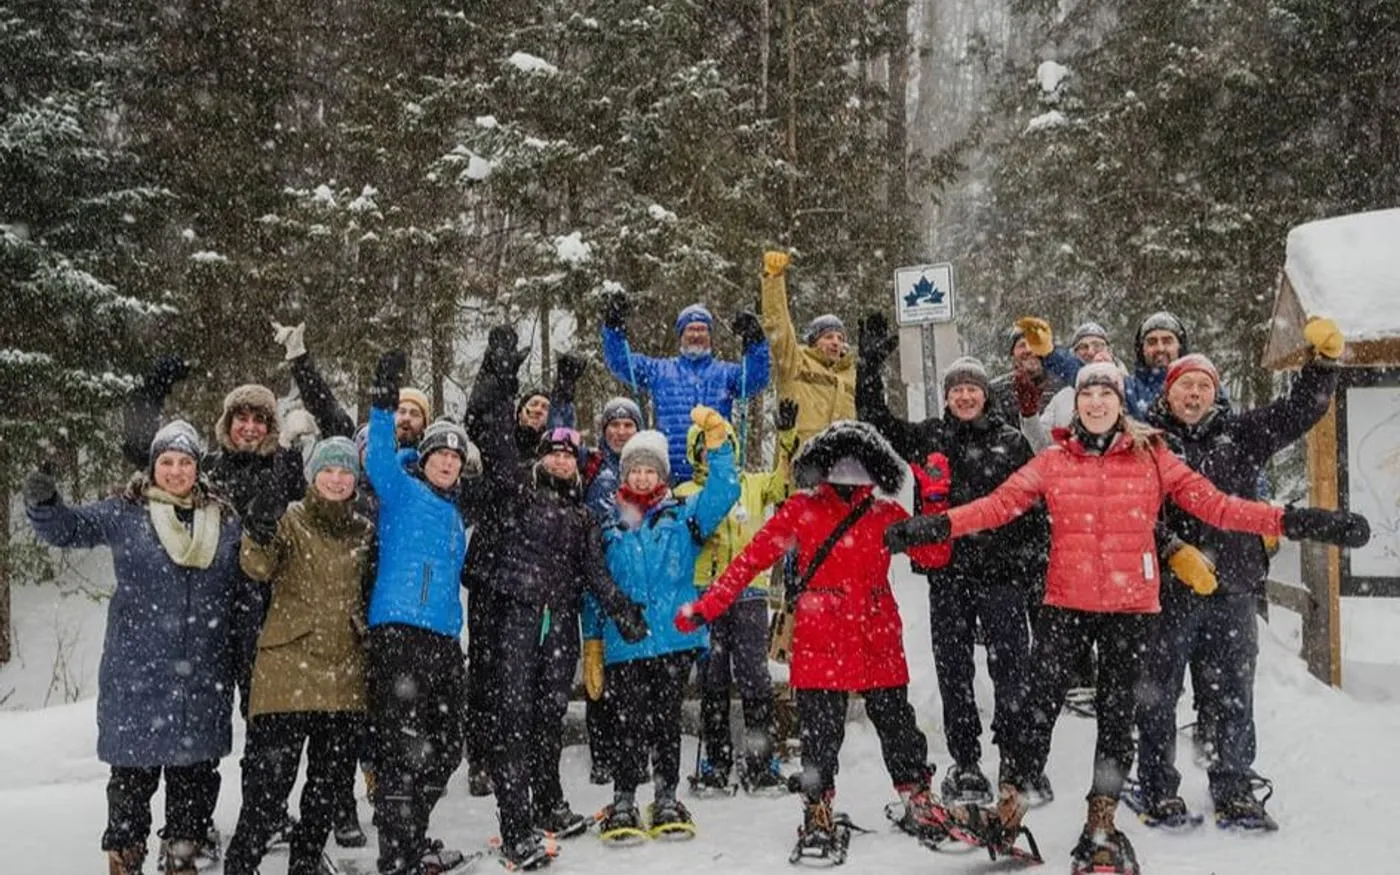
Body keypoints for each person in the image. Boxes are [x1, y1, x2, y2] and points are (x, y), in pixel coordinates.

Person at [883, 361, 1370, 874]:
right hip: (1065, 606)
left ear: (1120, 404)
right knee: (1034, 713)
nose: (1096, 403)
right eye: (1087, 394)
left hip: (1131, 610)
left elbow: (1221, 508)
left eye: (1105, 394)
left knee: (1117, 721)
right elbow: (997, 506)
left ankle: (1102, 821)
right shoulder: (1053, 461)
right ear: (1077, 406)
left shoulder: (1154, 456)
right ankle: (1009, 809)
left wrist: (1297, 521)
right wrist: (935, 526)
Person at [673, 420, 942, 865]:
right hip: (824, 637)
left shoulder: (885, 514)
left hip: (875, 633)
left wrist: (930, 500)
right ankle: (817, 807)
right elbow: (750, 561)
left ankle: (917, 795)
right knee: (820, 732)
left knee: (897, 723)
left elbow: (933, 557)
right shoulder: (802, 509)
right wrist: (709, 606)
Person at [1131, 319, 1344, 831]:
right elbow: (1133, 513)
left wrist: (1322, 367)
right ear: (1169, 391)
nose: (1196, 394)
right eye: (1186, 385)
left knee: (1231, 693)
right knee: (1159, 691)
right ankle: (1157, 787)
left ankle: (1233, 785)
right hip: (1169, 593)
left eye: (1204, 385)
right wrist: (1172, 550)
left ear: (1216, 392)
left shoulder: (1242, 434)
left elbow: (1300, 411)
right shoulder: (1148, 444)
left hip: (1234, 587)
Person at [460, 326, 649, 869]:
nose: (563, 459)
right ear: (540, 459)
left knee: (546, 717)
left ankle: (546, 803)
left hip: (559, 622)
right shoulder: (514, 491)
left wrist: (622, 611)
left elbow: (596, 574)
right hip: (515, 617)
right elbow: (487, 427)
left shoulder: (583, 517)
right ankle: (515, 825)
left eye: (571, 453)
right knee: (514, 718)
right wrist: (498, 374)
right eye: (554, 451)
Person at [25, 422, 246, 875]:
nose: (176, 470)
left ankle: (183, 856)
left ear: (198, 468)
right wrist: (45, 503)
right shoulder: (126, 513)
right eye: (167, 461)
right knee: (131, 777)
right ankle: (124, 859)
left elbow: (250, 577)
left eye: (185, 462)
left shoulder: (223, 520)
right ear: (152, 466)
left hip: (204, 672)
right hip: (137, 672)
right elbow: (68, 529)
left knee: (196, 779)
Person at [857, 315, 1048, 805]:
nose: (964, 397)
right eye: (956, 389)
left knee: (1012, 671)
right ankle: (966, 763)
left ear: (985, 395)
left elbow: (1033, 508)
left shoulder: (1010, 442)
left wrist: (1030, 567)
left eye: (972, 389)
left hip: (1002, 575)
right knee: (954, 672)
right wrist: (870, 365)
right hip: (948, 576)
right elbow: (875, 423)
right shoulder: (930, 437)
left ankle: (1016, 760)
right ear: (946, 396)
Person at [584, 408, 740, 841]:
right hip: (624, 643)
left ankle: (667, 794)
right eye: (635, 470)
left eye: (651, 470)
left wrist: (718, 444)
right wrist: (592, 640)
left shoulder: (683, 517)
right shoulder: (608, 524)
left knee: (666, 723)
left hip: (672, 641)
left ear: (662, 475)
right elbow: (595, 588)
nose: (642, 477)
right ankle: (624, 799)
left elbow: (725, 490)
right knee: (627, 725)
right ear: (624, 475)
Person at [223, 437, 376, 875]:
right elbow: (257, 566)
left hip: (344, 674)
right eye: (328, 469)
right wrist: (262, 521)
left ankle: (305, 864)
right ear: (313, 475)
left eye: (345, 471)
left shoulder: (364, 530)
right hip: (287, 673)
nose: (337, 478)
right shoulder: (290, 519)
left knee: (325, 790)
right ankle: (240, 866)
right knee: (268, 792)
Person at [363, 351, 477, 875]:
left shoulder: (457, 516)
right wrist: (384, 402)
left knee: (446, 748)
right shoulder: (401, 491)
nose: (448, 462)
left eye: (456, 457)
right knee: (401, 750)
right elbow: (379, 457)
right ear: (425, 458)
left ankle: (413, 838)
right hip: (398, 634)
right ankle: (397, 854)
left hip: (443, 641)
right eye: (439, 454)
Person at [678, 398, 801, 795]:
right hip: (705, 591)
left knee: (753, 675)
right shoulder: (687, 490)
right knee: (713, 675)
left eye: (724, 446)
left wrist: (786, 439)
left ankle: (761, 759)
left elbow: (786, 483)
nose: (716, 453)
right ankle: (716, 758)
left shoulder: (752, 483)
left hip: (749, 592)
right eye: (710, 447)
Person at [600, 290, 770, 482]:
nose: (696, 334)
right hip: (669, 478)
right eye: (690, 329)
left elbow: (756, 379)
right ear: (681, 334)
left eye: (702, 329)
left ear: (710, 335)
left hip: (713, 476)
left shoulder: (725, 374)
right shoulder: (659, 371)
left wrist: (756, 341)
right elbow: (620, 362)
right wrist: (613, 327)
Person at [1017, 309, 1194, 418]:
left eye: (1167, 340)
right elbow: (1084, 374)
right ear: (1142, 349)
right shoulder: (1130, 388)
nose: (1160, 348)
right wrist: (1050, 353)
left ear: (1181, 345)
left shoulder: (1201, 384)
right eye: (1152, 342)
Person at [758, 250, 854, 441]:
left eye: (840, 338)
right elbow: (779, 326)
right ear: (813, 341)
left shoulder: (850, 374)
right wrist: (774, 280)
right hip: (801, 463)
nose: (836, 342)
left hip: (841, 466)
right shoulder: (796, 363)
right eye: (828, 336)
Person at [989, 323, 1064, 423]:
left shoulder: (1062, 388)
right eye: (1022, 345)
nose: (1029, 350)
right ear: (1013, 353)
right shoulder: (995, 391)